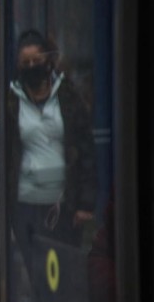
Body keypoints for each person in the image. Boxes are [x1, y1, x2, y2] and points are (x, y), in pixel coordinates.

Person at [6, 29, 96, 247]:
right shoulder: (10, 101)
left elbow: (85, 148)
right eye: (25, 62)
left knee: (65, 264)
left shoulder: (67, 95)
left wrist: (85, 203)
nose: (31, 67)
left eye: (36, 60)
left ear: (48, 61)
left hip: (65, 202)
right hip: (25, 202)